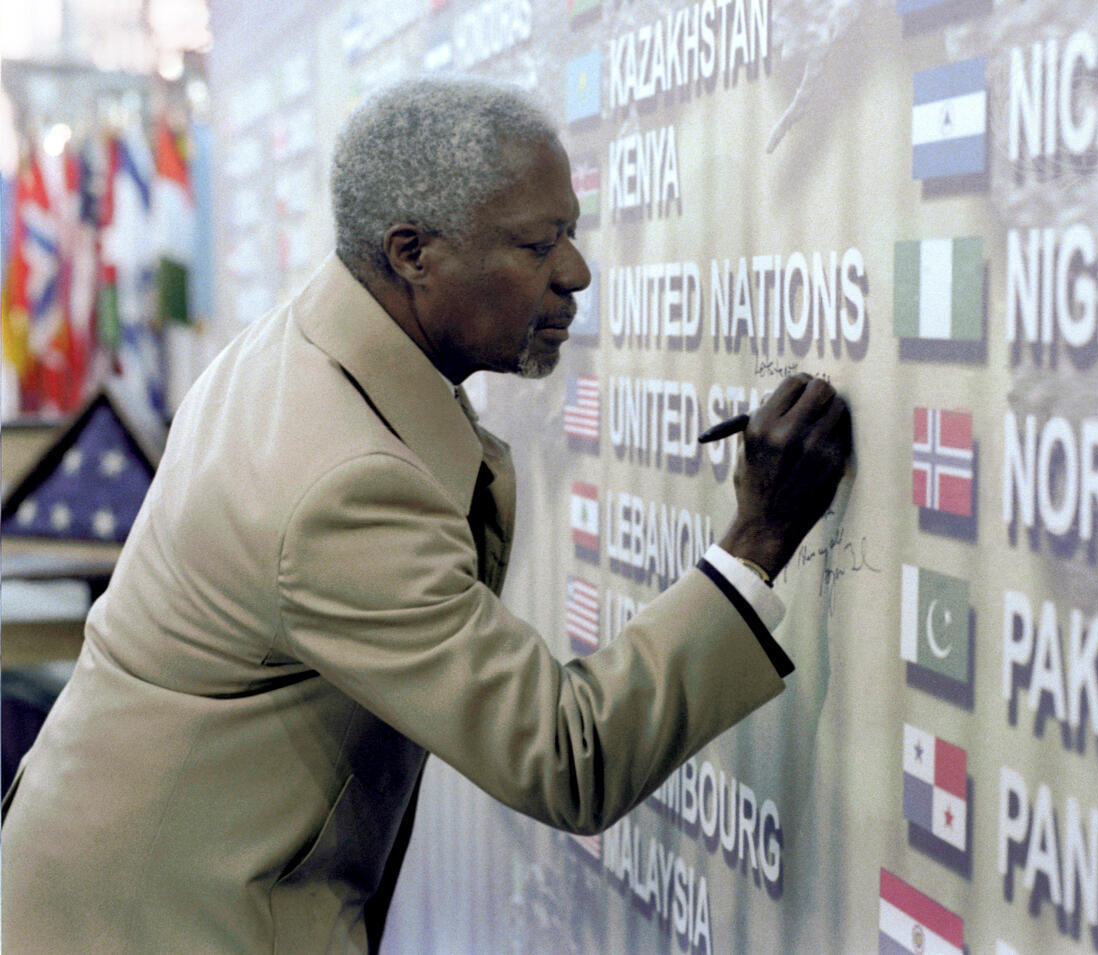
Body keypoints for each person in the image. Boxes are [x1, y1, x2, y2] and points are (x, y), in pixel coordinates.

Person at [1, 77, 850, 952]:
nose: (575, 273)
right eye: (537, 244)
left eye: (570, 231)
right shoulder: (341, 484)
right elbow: (570, 756)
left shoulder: (307, 349)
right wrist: (757, 539)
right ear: (412, 253)